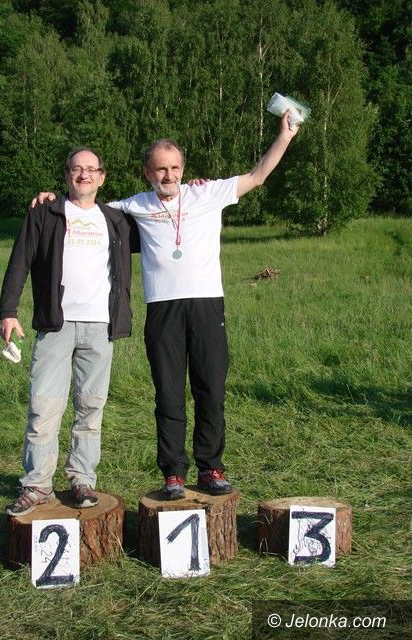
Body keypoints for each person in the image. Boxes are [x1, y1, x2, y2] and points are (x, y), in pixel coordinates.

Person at [33, 112, 298, 500]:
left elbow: (257, 176)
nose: (168, 175)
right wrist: (52, 200)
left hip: (207, 306)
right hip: (162, 309)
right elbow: (85, 207)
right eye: (160, 169)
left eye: (174, 168)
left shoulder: (208, 194)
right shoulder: (133, 206)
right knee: (169, 395)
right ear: (147, 173)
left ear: (183, 169)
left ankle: (211, 468)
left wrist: (285, 135)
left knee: (210, 390)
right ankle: (173, 472)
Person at [0, 147, 139, 516]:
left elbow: (162, 219)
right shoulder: (45, 213)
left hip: (100, 326)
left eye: (91, 169)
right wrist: (8, 312)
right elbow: (20, 261)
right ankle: (36, 485)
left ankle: (81, 479)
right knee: (43, 407)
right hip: (54, 325)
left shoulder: (116, 220)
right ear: (67, 175)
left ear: (102, 177)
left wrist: (193, 193)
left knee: (91, 407)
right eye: (77, 168)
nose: (84, 174)